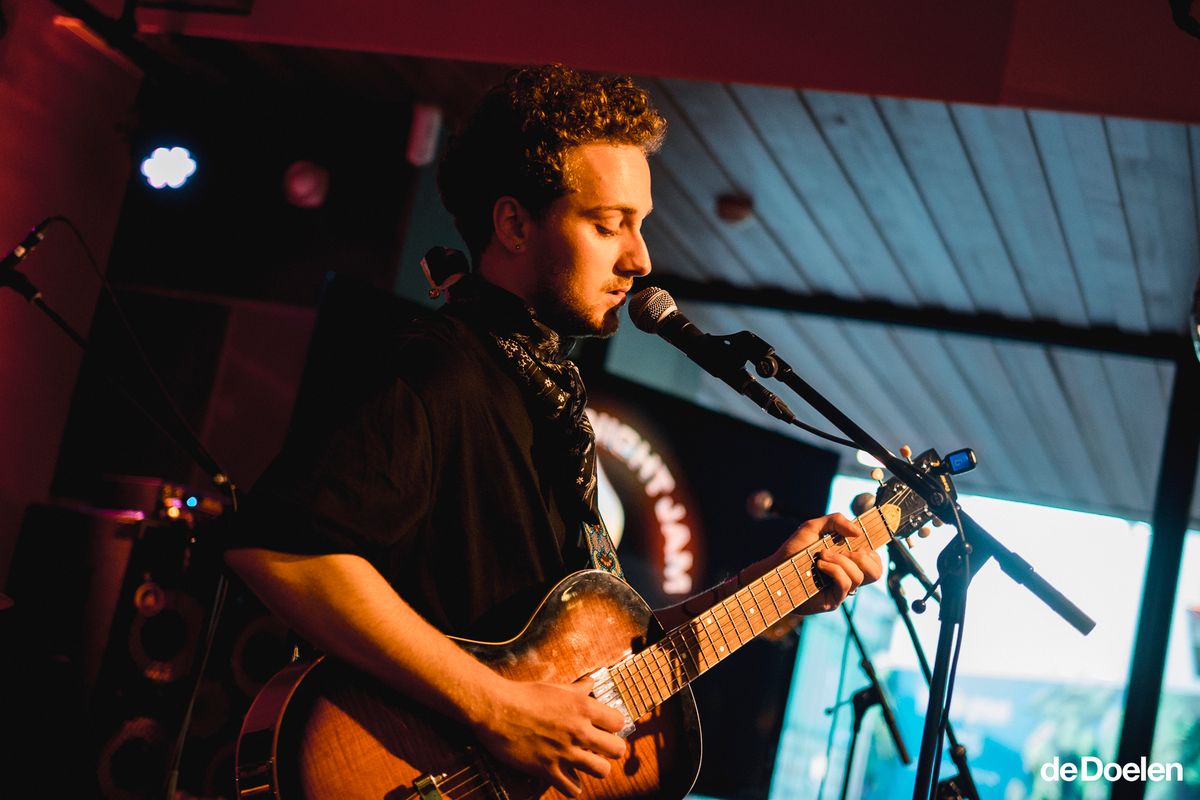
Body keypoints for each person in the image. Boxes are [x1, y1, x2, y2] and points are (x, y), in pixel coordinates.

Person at [225, 64, 882, 798]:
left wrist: (766, 590)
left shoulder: (541, 392)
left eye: (640, 224)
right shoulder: (442, 368)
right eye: (608, 224)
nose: (640, 259)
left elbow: (589, 661)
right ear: (513, 224)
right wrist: (494, 708)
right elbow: (278, 547)